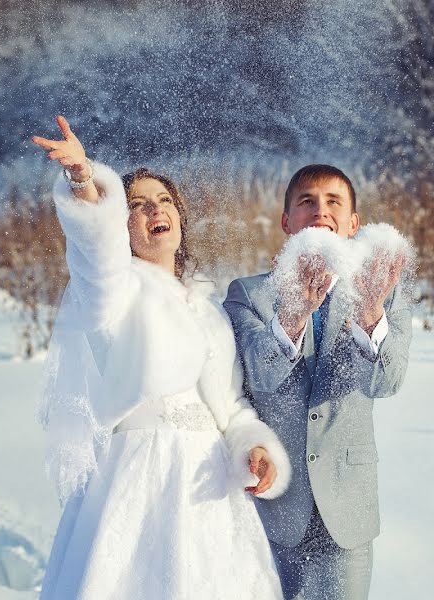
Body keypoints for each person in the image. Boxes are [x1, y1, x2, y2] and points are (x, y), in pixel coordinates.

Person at [31, 116, 291, 600]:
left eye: (165, 200)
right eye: (137, 204)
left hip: (209, 490)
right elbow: (96, 257)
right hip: (141, 481)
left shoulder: (208, 309)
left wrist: (252, 447)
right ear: (120, 224)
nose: (156, 208)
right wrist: (85, 182)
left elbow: (229, 405)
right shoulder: (115, 294)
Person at [223, 164, 412, 600]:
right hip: (271, 506)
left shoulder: (383, 293)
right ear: (287, 221)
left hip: (347, 511)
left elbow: (387, 382)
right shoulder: (248, 295)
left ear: (353, 223)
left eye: (333, 202)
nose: (320, 210)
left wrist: (369, 313)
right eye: (306, 201)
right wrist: (291, 317)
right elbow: (261, 379)